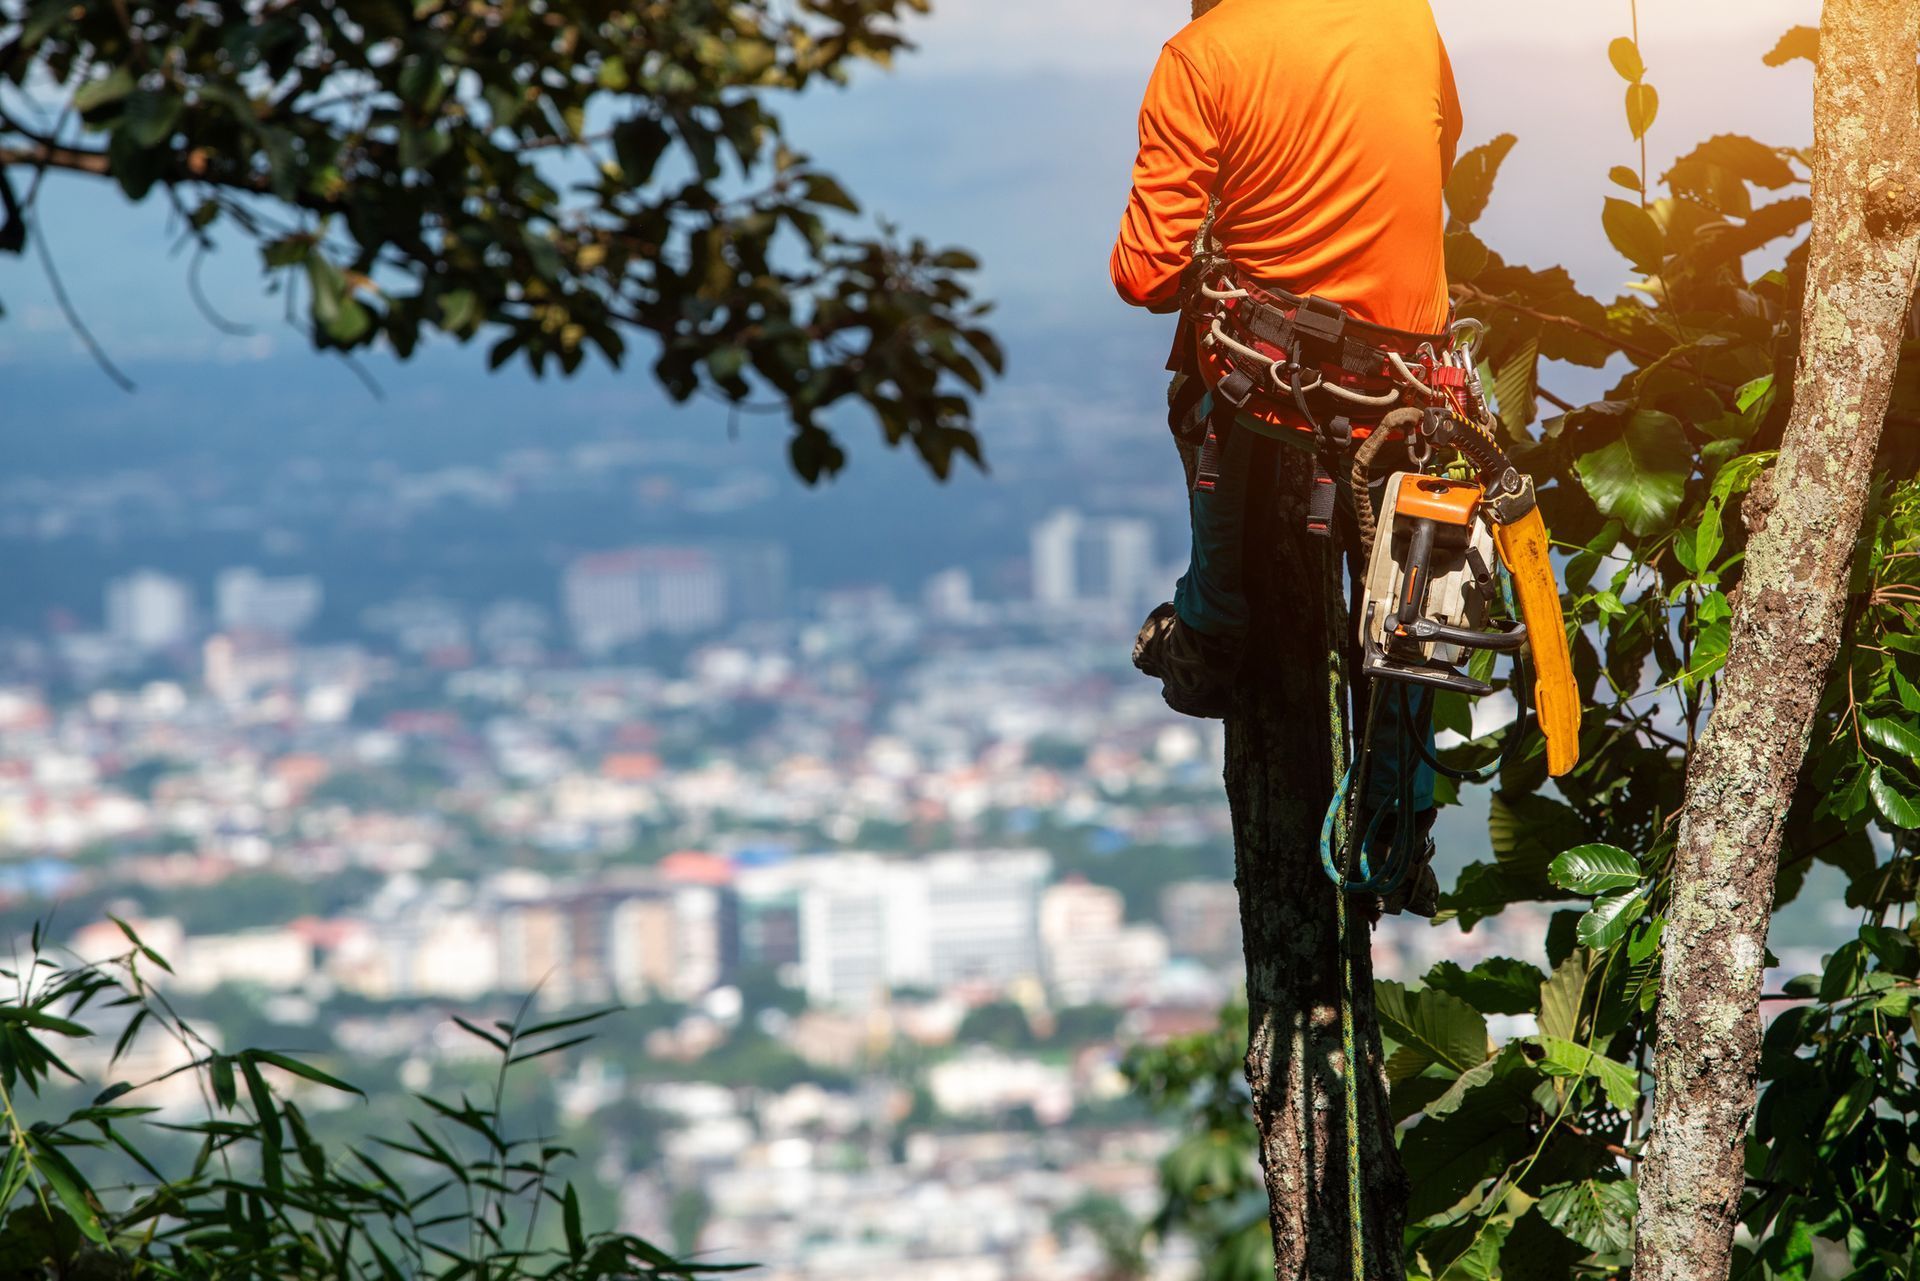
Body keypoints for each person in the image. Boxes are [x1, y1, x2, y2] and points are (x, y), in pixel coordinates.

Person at [1111, 0, 1464, 916]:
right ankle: (1400, 812)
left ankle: (1213, 621)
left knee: (1201, 376)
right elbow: (1440, 158)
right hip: (1404, 382)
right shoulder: (1406, 18)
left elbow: (1143, 275)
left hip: (1272, 393)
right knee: (1408, 606)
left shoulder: (1200, 57)